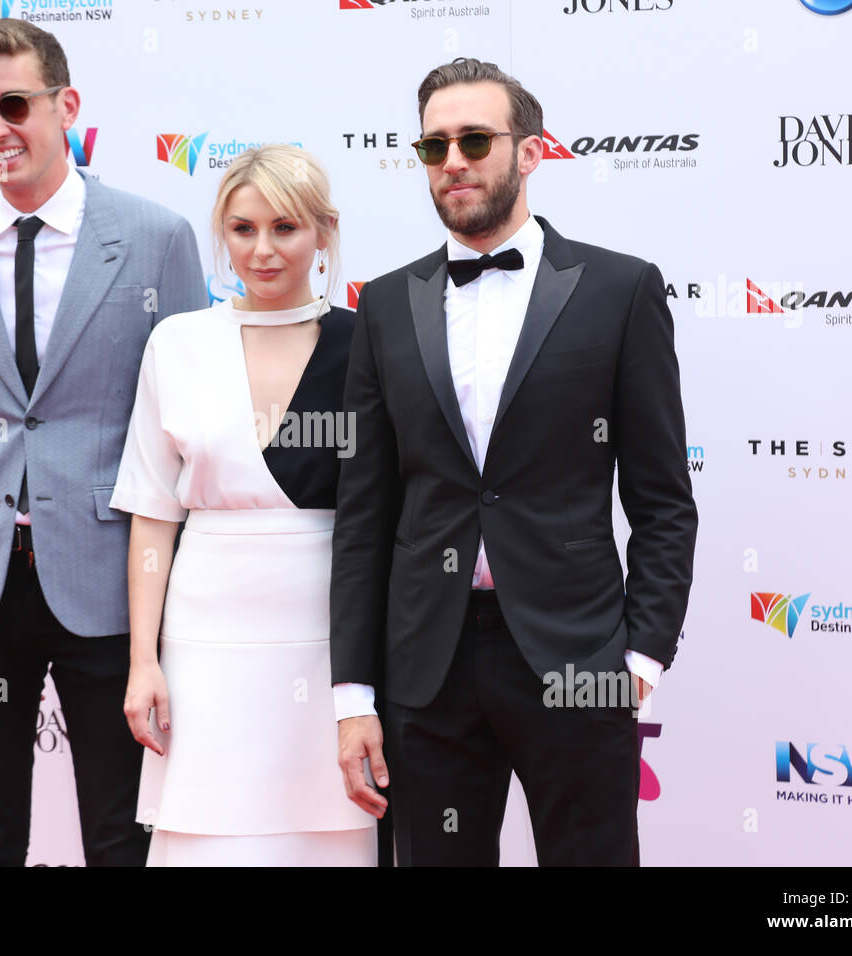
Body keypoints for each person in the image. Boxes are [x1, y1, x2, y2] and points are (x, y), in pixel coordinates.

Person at [330, 58, 698, 866]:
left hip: (578, 655)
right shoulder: (385, 305)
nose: (453, 161)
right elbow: (364, 515)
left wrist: (640, 657)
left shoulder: (620, 290)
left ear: (530, 152)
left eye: (473, 139)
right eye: (434, 146)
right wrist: (353, 694)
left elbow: (664, 499)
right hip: (426, 664)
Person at [0, 19, 205, 866]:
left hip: (112, 585)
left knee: (123, 837)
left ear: (66, 105)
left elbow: (186, 421)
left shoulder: (156, 238)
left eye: (13, 104)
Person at [110, 145, 377, 866]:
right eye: (242, 228)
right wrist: (143, 661)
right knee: (208, 839)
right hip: (202, 643)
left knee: (327, 836)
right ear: (221, 234)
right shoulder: (178, 343)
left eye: (285, 228)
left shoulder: (367, 344)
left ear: (323, 232)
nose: (262, 250)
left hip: (330, 638)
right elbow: (152, 515)